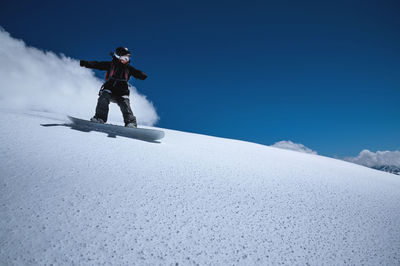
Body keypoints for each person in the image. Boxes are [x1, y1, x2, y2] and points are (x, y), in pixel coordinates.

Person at [79, 47, 147, 127]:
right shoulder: (110, 65)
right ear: (118, 57)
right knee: (104, 98)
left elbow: (136, 72)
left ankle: (130, 123)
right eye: (124, 58)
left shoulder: (128, 69)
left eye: (127, 58)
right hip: (110, 89)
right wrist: (86, 63)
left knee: (125, 105)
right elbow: (98, 65)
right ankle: (100, 118)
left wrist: (141, 75)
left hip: (122, 92)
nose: (126, 60)